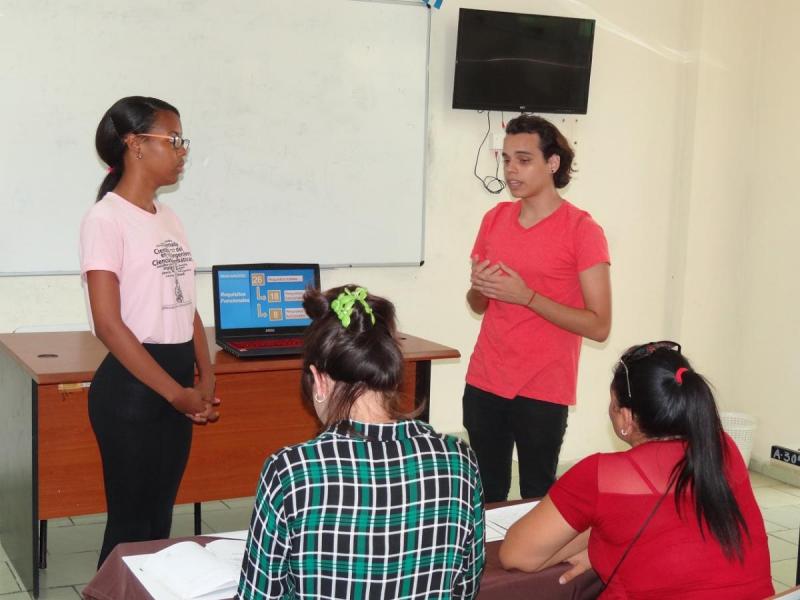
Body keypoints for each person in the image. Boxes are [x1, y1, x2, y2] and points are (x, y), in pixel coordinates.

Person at [238, 286, 485, 600]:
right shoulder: (458, 460)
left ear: (319, 380)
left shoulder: (290, 471)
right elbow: (466, 587)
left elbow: (259, 595)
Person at [498, 342, 774, 599]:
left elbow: (516, 555)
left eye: (614, 403)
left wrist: (598, 539)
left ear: (626, 418)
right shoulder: (723, 450)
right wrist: (603, 539)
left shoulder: (602, 475)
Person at [80, 96, 219, 567]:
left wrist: (205, 376)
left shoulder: (169, 217)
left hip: (174, 384)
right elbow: (108, 324)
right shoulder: (106, 219)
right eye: (173, 139)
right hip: (133, 391)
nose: (182, 151)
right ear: (135, 145)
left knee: (158, 522)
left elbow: (186, 305)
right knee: (129, 527)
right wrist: (173, 393)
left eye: (183, 141)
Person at [465, 114, 612, 502]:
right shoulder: (494, 219)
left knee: (537, 497)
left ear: (553, 163)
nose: (511, 170)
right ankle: (483, 564)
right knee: (484, 495)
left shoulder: (582, 230)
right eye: (506, 159)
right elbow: (477, 304)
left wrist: (526, 296)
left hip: (544, 386)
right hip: (485, 379)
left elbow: (599, 326)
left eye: (524, 159)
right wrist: (481, 288)